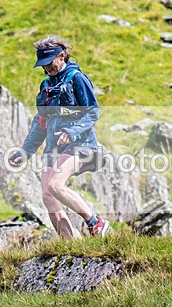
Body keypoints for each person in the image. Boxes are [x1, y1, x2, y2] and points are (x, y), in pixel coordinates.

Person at [8, 35, 110, 238]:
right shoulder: (45, 86)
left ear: (61, 56)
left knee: (55, 185)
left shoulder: (77, 78)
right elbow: (41, 122)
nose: (46, 68)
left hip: (81, 144)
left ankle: (95, 221)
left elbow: (92, 112)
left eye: (49, 63)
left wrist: (70, 132)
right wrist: (26, 151)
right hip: (53, 148)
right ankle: (70, 244)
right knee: (48, 195)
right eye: (42, 65)